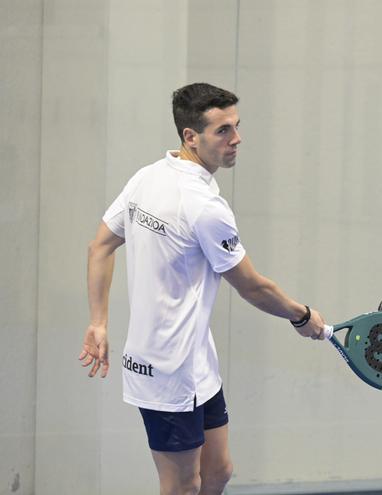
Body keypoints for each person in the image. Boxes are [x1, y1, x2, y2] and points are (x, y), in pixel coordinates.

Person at [79, 82, 326, 495]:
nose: (237, 138)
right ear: (190, 136)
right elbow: (251, 287)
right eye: (223, 130)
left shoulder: (147, 177)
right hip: (163, 368)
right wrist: (301, 316)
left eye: (237, 126)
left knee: (218, 471)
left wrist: (99, 322)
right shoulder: (204, 207)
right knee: (182, 486)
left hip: (197, 363)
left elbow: (99, 246)